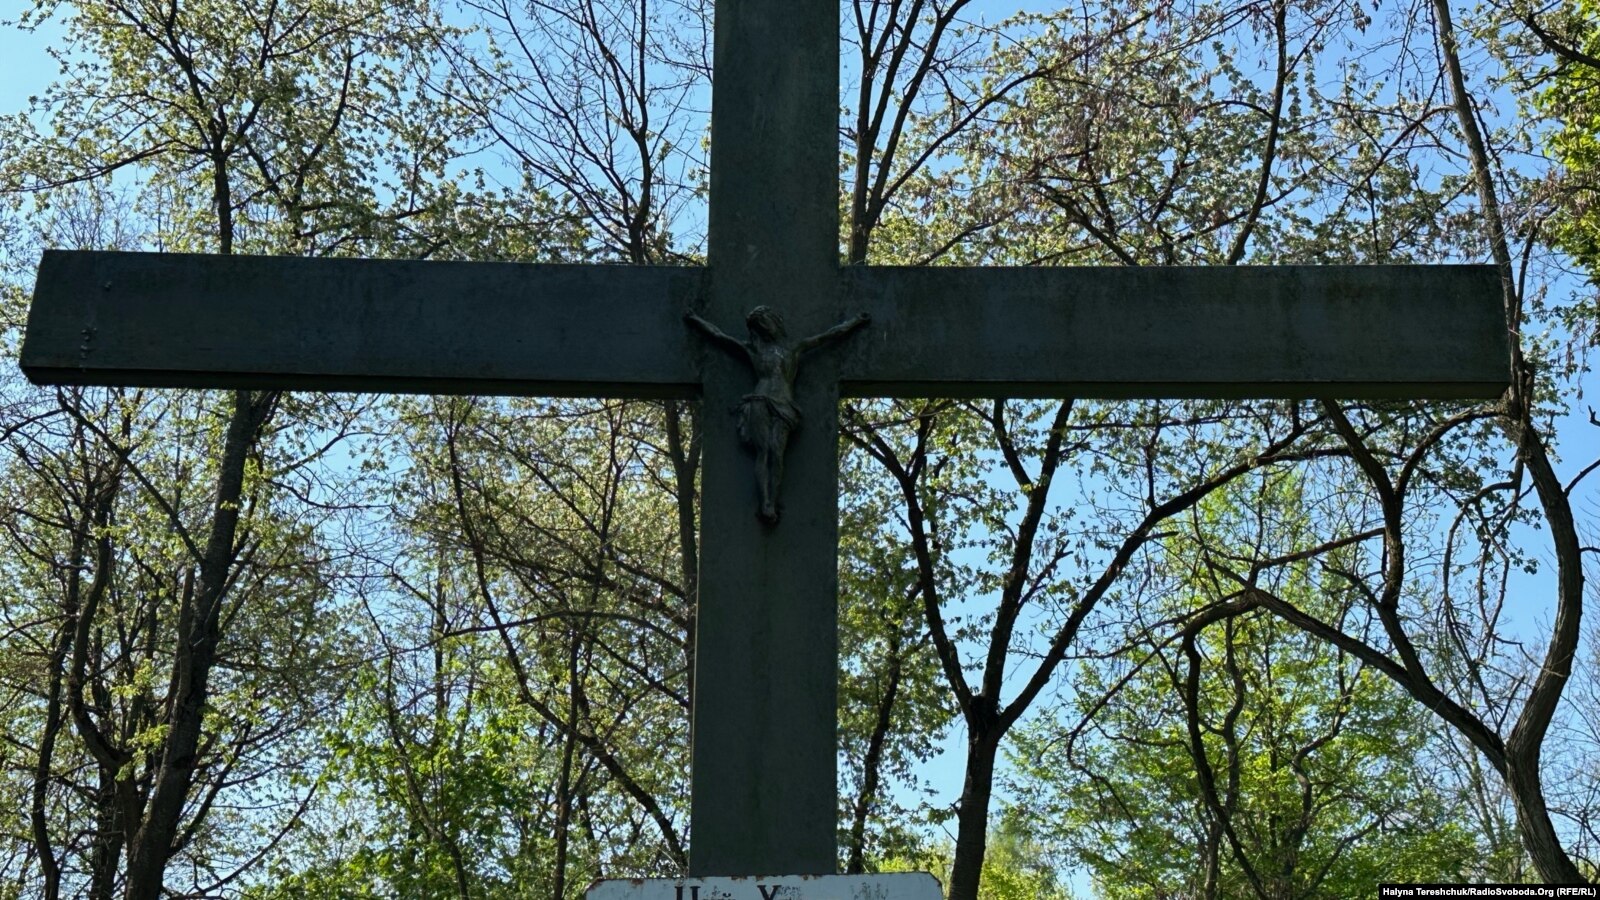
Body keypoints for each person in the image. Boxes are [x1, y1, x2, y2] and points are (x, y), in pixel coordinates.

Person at [685, 305, 870, 524]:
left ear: (775, 321)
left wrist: (855, 321)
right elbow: (719, 336)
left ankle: (772, 499)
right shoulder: (753, 350)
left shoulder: (795, 348)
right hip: (759, 401)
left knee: (777, 452)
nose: (765, 328)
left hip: (785, 405)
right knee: (763, 451)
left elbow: (829, 336)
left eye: (765, 322)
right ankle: (766, 502)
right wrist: (695, 319)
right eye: (759, 326)